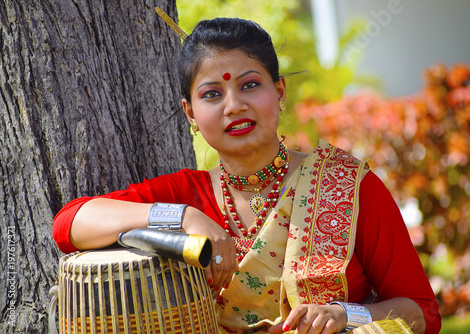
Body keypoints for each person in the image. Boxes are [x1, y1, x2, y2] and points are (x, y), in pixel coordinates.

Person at [53, 17, 441, 334]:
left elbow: (421, 311)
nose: (234, 106)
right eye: (211, 94)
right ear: (190, 113)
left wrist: (347, 315)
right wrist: (185, 217)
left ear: (279, 90)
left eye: (250, 85)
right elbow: (69, 224)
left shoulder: (348, 187)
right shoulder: (186, 194)